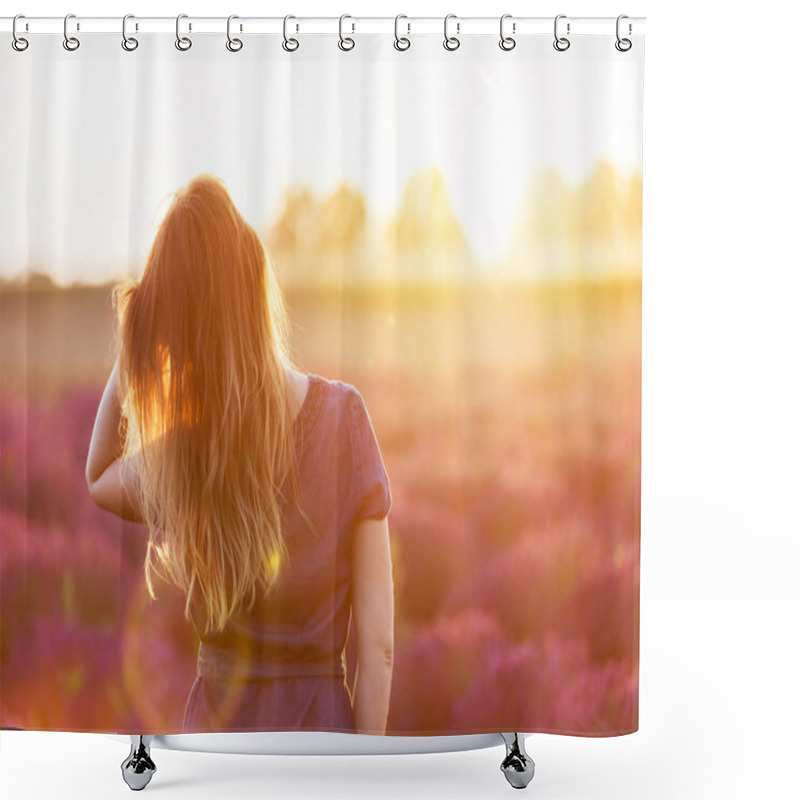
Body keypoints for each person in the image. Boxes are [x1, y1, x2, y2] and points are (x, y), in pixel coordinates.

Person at [85, 173, 394, 734]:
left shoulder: (186, 454)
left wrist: (135, 336)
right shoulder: (346, 420)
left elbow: (99, 475)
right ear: (256, 281)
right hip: (321, 742)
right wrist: (362, 776)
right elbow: (378, 650)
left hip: (218, 745)